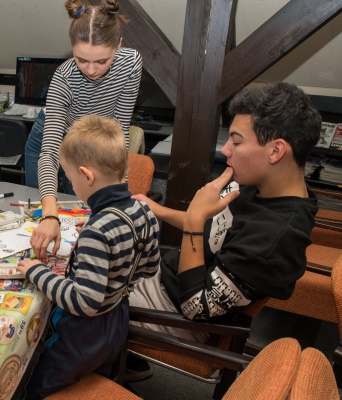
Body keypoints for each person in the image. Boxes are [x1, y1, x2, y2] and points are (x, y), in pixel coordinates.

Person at [129, 82, 321, 348]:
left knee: (72, 294)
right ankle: (117, 361)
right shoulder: (259, 184)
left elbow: (196, 307)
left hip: (174, 314)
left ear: (276, 151)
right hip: (163, 277)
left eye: (237, 141)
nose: (226, 150)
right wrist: (158, 210)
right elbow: (210, 225)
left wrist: (195, 220)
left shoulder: (272, 240)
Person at [16, 115, 161, 399]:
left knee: (39, 385)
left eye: (70, 179)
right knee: (97, 372)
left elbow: (85, 302)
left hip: (82, 334)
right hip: (118, 321)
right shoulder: (143, 211)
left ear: (87, 176)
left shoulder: (99, 229)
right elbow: (149, 267)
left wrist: (37, 271)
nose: (71, 186)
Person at [26, 0, 142, 261]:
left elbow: (119, 132)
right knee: (41, 217)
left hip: (89, 142)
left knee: (86, 212)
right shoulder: (63, 79)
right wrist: (50, 215)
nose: (91, 70)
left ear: (119, 45)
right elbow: (49, 153)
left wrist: (115, 202)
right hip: (52, 139)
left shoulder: (131, 64)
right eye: (81, 60)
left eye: (101, 61)